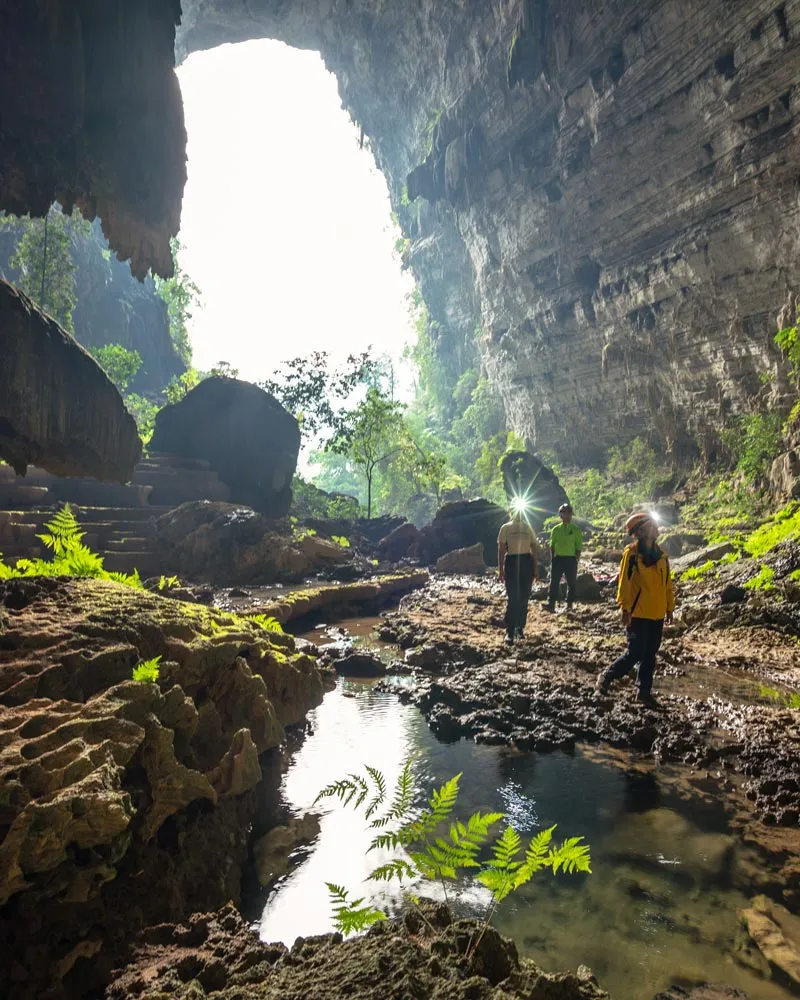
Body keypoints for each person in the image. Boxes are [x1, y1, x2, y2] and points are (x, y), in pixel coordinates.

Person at [596, 511, 675, 705]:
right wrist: (625, 608)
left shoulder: (662, 556)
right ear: (640, 531)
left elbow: (667, 584)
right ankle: (607, 676)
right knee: (636, 652)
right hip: (638, 613)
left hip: (656, 613)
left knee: (650, 652)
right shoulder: (631, 555)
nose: (656, 528)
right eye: (651, 525)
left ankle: (643, 692)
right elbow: (624, 582)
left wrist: (669, 608)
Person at [497, 507, 539, 644]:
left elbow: (534, 548)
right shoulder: (505, 528)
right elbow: (501, 550)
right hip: (512, 561)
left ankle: (520, 627)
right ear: (512, 513)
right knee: (513, 597)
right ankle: (509, 631)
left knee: (524, 596)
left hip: (526, 561)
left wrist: (535, 568)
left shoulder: (528, 528)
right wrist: (501, 571)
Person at [545, 503, 582, 612]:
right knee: (554, 582)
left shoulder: (576, 530)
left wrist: (576, 560)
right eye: (564, 513)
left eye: (568, 513)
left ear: (571, 515)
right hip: (558, 559)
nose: (566, 515)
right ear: (560, 515)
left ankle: (569, 605)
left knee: (571, 583)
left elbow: (578, 547)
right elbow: (552, 545)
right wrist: (553, 559)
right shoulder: (555, 530)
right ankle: (551, 604)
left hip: (571, 559)